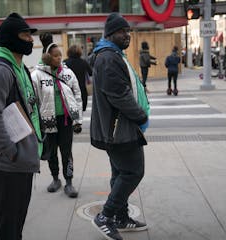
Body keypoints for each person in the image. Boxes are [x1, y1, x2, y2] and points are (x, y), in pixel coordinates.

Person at [0, 12, 42, 240]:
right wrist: (11, 152)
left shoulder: (18, 67)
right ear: (11, 38)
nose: (31, 40)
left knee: (17, 219)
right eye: (25, 35)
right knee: (8, 223)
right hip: (9, 162)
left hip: (20, 158)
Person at [90, 13, 150, 240]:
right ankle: (106, 216)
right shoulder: (108, 58)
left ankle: (121, 217)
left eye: (128, 31)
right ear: (110, 34)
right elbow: (120, 96)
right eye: (122, 31)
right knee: (134, 171)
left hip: (115, 129)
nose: (127, 35)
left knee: (120, 173)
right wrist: (141, 116)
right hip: (119, 130)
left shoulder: (112, 55)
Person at [31, 33, 83, 198]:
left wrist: (78, 120)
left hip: (66, 120)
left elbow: (77, 96)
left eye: (60, 54)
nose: (59, 58)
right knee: (52, 152)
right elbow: (33, 100)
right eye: (55, 55)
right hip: (48, 121)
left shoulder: (68, 73)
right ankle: (55, 179)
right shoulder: (37, 75)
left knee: (67, 152)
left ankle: (69, 182)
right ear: (47, 57)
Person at [64, 44, 92, 111]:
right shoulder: (83, 62)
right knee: (80, 113)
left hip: (68, 90)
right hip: (81, 90)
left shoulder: (65, 62)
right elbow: (91, 72)